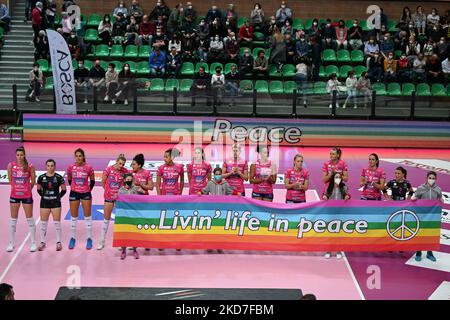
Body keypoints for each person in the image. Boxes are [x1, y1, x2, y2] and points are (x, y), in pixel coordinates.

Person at [7, 147, 36, 252]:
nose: (19, 157)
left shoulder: (30, 166)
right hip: (14, 196)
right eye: (18, 155)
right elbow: (10, 180)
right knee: (13, 220)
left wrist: (27, 190)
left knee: (30, 219)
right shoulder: (11, 166)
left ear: (24, 155)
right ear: (16, 155)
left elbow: (33, 181)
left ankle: (33, 243)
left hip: (26, 196)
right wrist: (17, 188)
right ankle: (11, 243)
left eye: (21, 155)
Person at [66, 148, 95, 250]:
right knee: (73, 218)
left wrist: (87, 190)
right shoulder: (70, 167)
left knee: (87, 217)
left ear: (83, 157)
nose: (78, 158)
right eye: (76, 156)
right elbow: (69, 179)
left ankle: (89, 239)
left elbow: (92, 181)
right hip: (74, 193)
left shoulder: (88, 167)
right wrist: (75, 188)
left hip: (86, 193)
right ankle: (73, 238)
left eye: (80, 156)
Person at [97, 154, 127, 250]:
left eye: (123, 164)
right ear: (116, 161)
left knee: (119, 221)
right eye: (119, 163)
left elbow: (129, 181)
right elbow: (103, 182)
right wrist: (108, 191)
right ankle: (101, 242)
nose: (121, 166)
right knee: (106, 220)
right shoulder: (108, 170)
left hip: (119, 198)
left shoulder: (125, 171)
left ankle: (120, 243)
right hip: (109, 197)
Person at [412, 171, 443, 262]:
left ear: (435, 179)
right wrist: (413, 198)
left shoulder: (438, 189)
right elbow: (415, 197)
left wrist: (442, 200)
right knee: (420, 233)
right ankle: (418, 252)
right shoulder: (420, 188)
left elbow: (440, 199)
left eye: (433, 178)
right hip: (422, 215)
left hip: (432, 216)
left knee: (431, 234)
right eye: (430, 178)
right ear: (426, 178)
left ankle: (429, 253)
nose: (431, 180)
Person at [36, 159, 66, 251]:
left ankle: (58, 242)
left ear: (55, 167)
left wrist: (58, 197)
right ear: (46, 167)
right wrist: (45, 196)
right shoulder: (41, 177)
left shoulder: (59, 177)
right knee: (43, 224)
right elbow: (38, 189)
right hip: (44, 203)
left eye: (52, 165)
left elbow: (64, 190)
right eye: (48, 165)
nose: (50, 167)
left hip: (56, 203)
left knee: (57, 223)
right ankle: (42, 242)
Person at [322, 171, 350, 259]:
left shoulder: (344, 187)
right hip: (330, 212)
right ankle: (328, 250)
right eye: (336, 177)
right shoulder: (328, 187)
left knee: (338, 232)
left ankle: (338, 250)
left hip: (340, 213)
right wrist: (324, 197)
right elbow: (324, 195)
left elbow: (348, 195)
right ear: (333, 178)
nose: (338, 179)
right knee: (330, 232)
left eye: (339, 177)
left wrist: (347, 196)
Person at [118, 173, 145, 259]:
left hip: (134, 214)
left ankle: (135, 250)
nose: (129, 181)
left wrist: (142, 190)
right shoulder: (121, 191)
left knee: (134, 232)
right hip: (125, 215)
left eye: (131, 180)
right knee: (124, 233)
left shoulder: (136, 189)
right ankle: (123, 250)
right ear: (124, 180)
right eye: (127, 179)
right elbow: (118, 203)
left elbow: (144, 195)